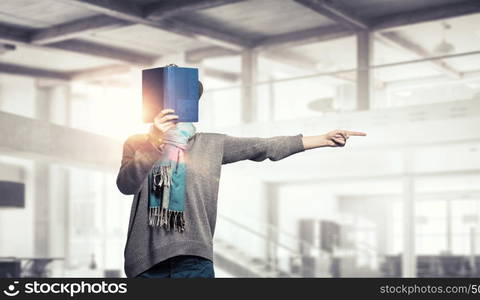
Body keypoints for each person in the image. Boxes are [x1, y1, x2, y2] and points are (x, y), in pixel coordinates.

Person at [116, 81, 366, 278]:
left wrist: (322, 139)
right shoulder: (137, 143)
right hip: (145, 261)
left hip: (193, 258)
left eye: (185, 99)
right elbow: (126, 185)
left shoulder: (211, 144)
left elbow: (262, 146)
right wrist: (153, 143)